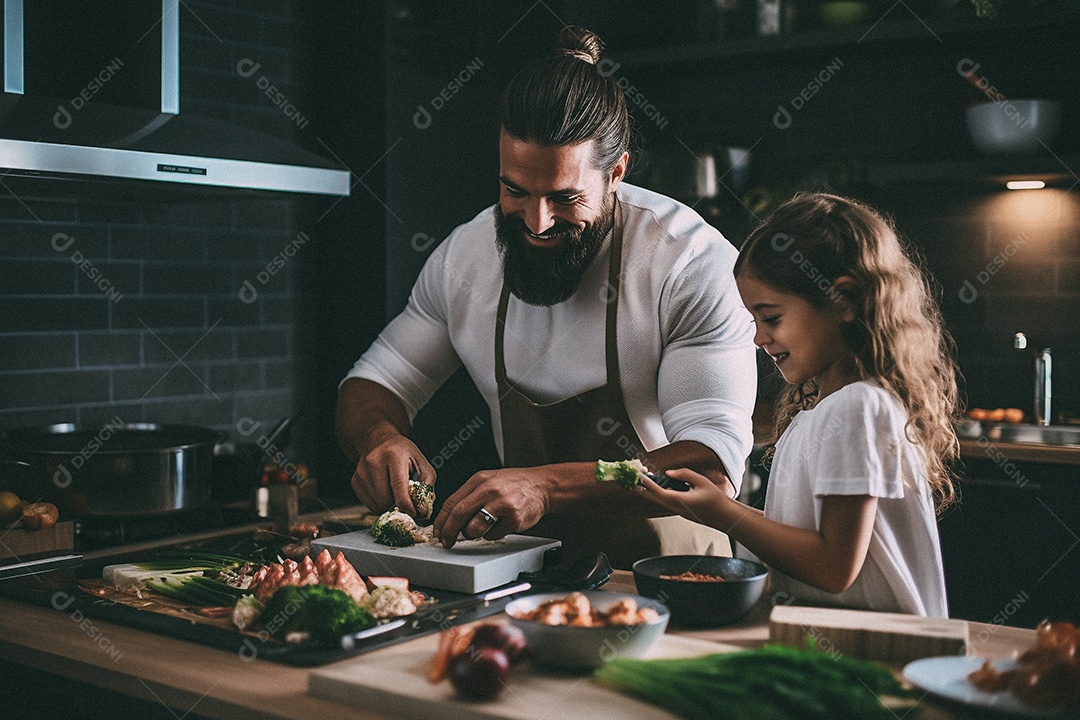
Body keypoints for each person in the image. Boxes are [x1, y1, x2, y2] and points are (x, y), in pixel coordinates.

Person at [335, 26, 757, 569]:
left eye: (565, 197)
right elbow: (374, 381)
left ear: (618, 174)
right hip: (526, 572)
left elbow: (710, 467)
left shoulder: (688, 261)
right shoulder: (464, 258)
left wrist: (545, 488)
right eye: (515, 190)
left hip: (668, 577)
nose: (537, 222)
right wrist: (379, 437)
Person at [640, 192, 958, 616]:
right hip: (839, 643)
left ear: (843, 300)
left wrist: (725, 514)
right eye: (753, 320)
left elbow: (833, 569)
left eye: (770, 318)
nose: (758, 338)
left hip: (881, 653)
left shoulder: (857, 408)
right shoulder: (827, 411)